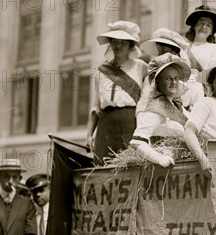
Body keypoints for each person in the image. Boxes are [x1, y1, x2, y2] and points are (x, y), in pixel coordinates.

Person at [86, 21, 148, 166]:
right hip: (106, 125)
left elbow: (146, 101)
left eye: (123, 42)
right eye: (114, 41)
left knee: (131, 166)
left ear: (131, 45)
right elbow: (96, 106)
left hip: (130, 123)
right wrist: (89, 133)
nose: (118, 46)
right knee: (104, 166)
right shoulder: (101, 70)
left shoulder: (141, 67)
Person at [130, 54, 192, 167]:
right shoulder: (154, 109)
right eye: (168, 78)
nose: (173, 82)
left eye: (176, 78)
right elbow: (137, 142)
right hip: (165, 170)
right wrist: (159, 158)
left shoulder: (177, 106)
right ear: (157, 82)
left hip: (182, 164)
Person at [137, 28, 203, 113]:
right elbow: (143, 102)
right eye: (160, 53)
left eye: (165, 52)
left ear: (176, 53)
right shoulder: (152, 77)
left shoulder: (192, 77)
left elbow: (198, 106)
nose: (163, 57)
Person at [184, 5, 216, 71]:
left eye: (208, 25)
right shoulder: (184, 46)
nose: (204, 27)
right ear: (194, 26)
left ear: (211, 32)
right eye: (201, 22)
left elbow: (213, 71)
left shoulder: (214, 48)